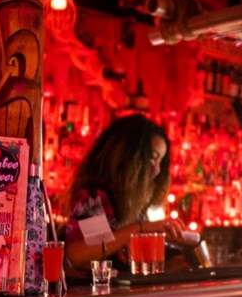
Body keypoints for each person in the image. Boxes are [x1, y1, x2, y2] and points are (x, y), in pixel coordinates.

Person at [62, 113, 193, 271]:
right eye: (152, 157)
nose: (157, 170)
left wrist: (168, 265)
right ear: (127, 155)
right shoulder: (96, 196)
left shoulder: (132, 202)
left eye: (161, 161)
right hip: (96, 294)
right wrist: (140, 228)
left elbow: (128, 265)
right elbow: (77, 255)